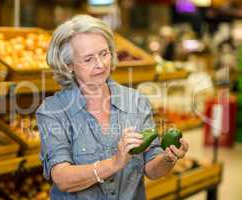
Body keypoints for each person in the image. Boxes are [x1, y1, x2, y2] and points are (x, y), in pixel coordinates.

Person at [36, 15, 189, 200]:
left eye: (104, 53)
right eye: (88, 59)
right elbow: (62, 178)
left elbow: (152, 170)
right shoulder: (52, 111)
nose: (100, 64)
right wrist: (114, 163)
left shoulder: (137, 102)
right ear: (69, 65)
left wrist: (168, 158)